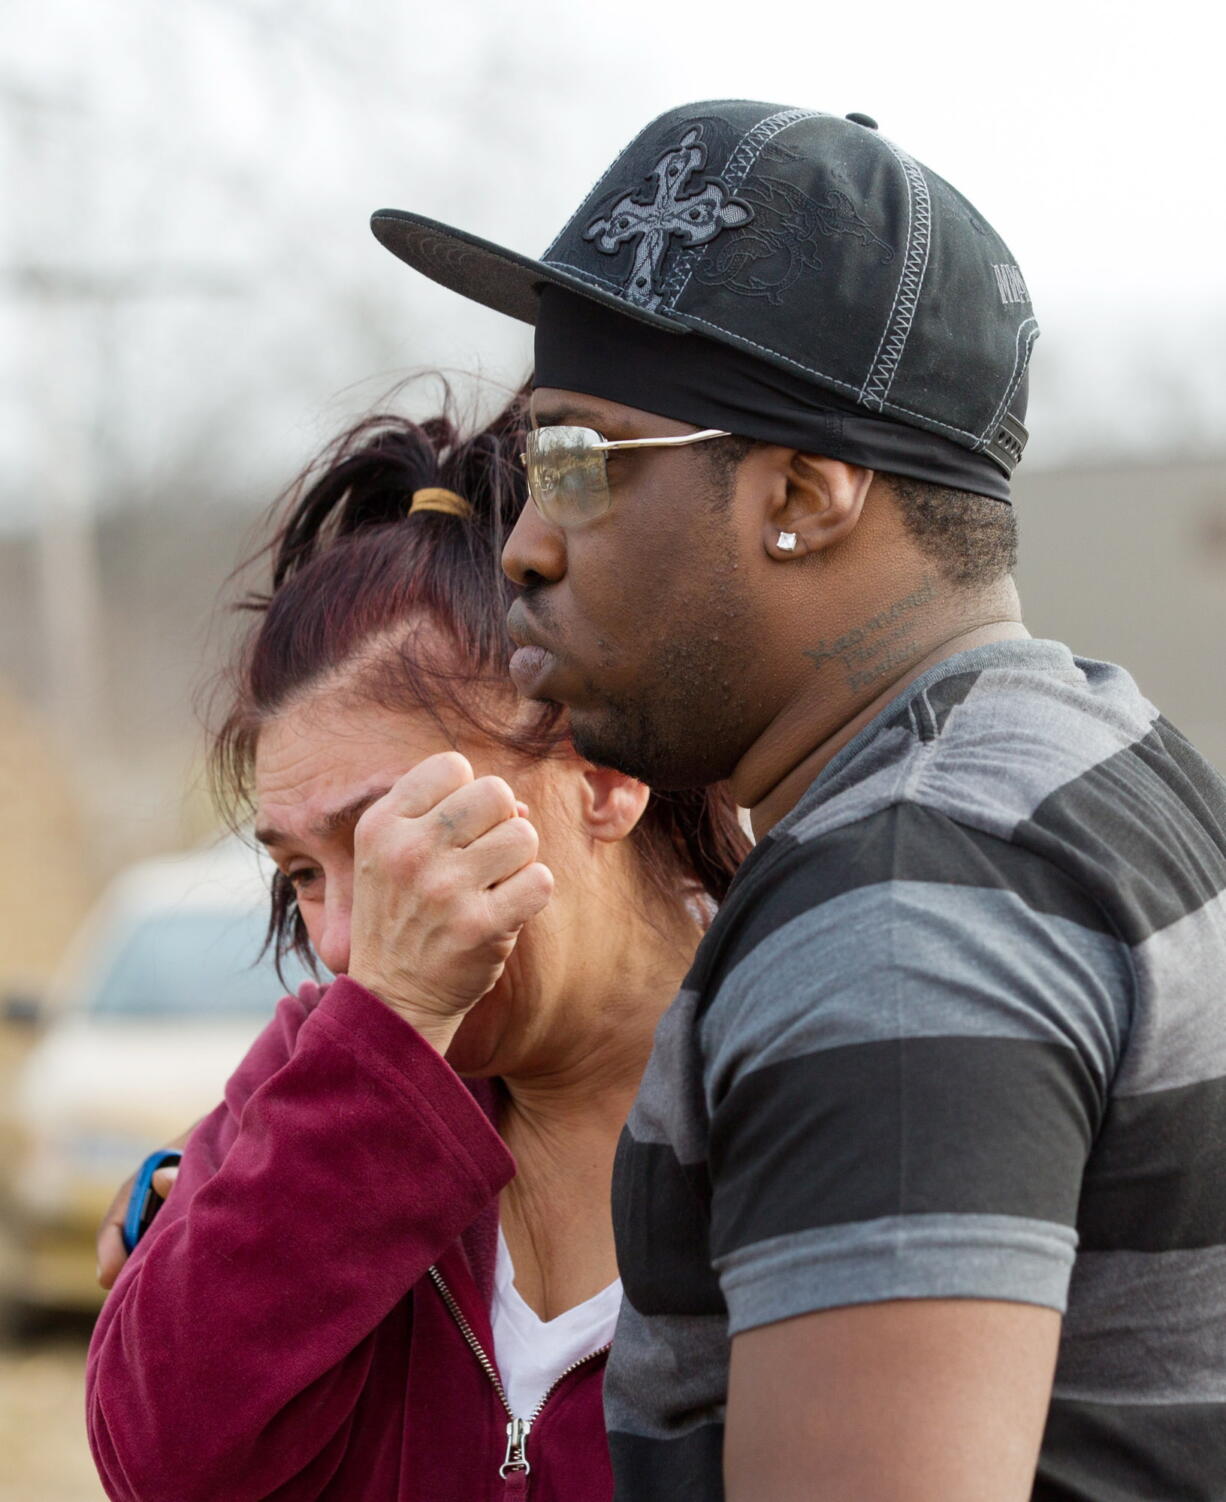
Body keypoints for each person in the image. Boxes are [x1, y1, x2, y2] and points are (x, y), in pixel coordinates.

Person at [369, 102, 1226, 1500]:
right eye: (532, 469)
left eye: (579, 462)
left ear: (807, 494)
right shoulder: (1096, 749)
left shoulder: (898, 917)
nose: (520, 544)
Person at [86, 389, 749, 1502]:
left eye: (398, 836)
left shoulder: (803, 1077)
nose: (345, 941)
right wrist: (375, 1050)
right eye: (302, 873)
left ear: (605, 769)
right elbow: (159, 1459)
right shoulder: (320, 1080)